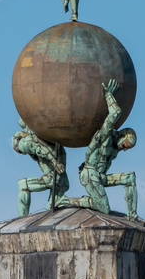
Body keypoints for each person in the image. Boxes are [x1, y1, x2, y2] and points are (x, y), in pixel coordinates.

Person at [59, 79, 139, 219]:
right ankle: (65, 200)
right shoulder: (105, 135)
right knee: (103, 207)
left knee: (129, 177)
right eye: (125, 145)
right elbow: (115, 113)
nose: (124, 149)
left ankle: (132, 215)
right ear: (122, 135)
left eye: (127, 148)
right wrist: (108, 94)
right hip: (89, 174)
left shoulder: (116, 148)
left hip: (100, 177)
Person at [12, 118, 69, 216]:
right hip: (63, 181)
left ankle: (22, 219)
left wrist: (54, 162)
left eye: (19, 152)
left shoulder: (24, 143)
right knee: (50, 213)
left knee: (22, 185)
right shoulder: (36, 133)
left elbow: (40, 149)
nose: (23, 154)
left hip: (53, 177)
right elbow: (23, 120)